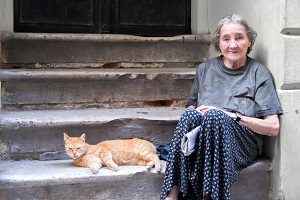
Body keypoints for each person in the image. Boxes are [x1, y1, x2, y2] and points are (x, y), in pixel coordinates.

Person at [161, 14, 283, 200]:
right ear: (219, 43)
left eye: (239, 38)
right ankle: (172, 194)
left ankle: (212, 196)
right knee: (189, 117)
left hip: (242, 141)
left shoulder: (259, 73)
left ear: (249, 41)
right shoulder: (205, 69)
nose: (232, 45)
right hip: (205, 138)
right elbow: (191, 107)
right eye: (226, 39)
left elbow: (273, 128)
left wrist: (233, 116)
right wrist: (195, 114)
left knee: (215, 117)